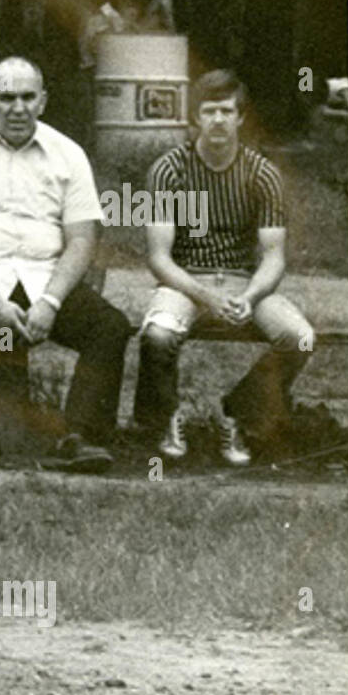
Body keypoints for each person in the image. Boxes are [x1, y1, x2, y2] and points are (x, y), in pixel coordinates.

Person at [0, 54, 132, 472]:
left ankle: (80, 437)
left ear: (43, 101)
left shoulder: (68, 155)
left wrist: (51, 301)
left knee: (110, 327)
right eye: (7, 97)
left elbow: (83, 237)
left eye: (28, 97)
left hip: (45, 278)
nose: (18, 108)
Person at [133, 70, 313, 464]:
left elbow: (274, 256)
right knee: (158, 336)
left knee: (300, 337)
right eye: (209, 111)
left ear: (240, 118)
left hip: (243, 281)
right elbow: (158, 258)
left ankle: (237, 413)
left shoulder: (263, 174)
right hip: (185, 282)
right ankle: (166, 417)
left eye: (226, 111)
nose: (218, 120)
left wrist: (249, 296)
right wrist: (204, 295)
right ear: (195, 117)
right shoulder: (167, 170)